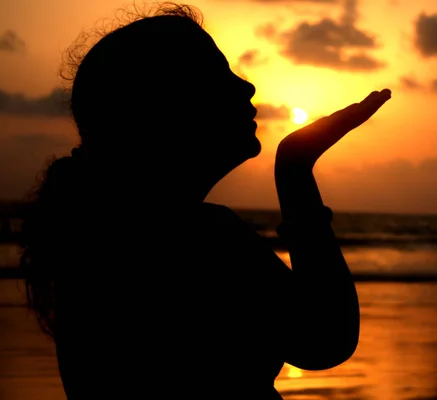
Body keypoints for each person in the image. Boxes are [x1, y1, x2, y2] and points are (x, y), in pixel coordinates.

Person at [19, 3, 391, 399]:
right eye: (219, 75)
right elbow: (325, 338)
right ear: (166, 106)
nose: (246, 87)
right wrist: (295, 170)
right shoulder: (202, 239)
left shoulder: (92, 240)